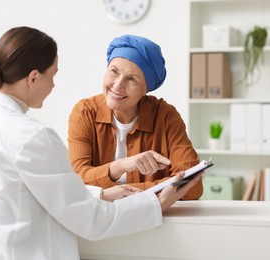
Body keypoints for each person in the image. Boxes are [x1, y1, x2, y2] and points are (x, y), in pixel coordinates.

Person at [0, 27, 203, 260]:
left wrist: (101, 192)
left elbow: (36, 192)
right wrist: (156, 203)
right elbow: (91, 220)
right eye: (53, 75)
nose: (53, 85)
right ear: (33, 78)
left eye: (133, 79)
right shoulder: (32, 136)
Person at [68, 35, 203, 200]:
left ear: (146, 89)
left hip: (153, 217)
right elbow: (75, 181)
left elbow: (192, 185)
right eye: (114, 71)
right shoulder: (85, 112)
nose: (117, 86)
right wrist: (121, 165)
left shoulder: (166, 117)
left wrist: (116, 194)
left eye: (132, 79)